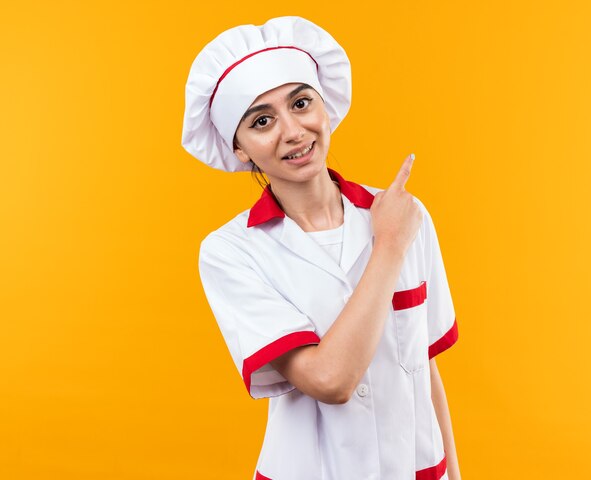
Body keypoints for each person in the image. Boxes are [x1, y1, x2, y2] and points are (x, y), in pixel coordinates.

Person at [182, 16, 461, 480]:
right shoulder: (231, 252)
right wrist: (388, 246)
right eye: (263, 120)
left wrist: (454, 474)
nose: (292, 131)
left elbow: (424, 370)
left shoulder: (404, 213)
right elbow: (329, 381)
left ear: (324, 106)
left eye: (301, 102)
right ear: (241, 148)